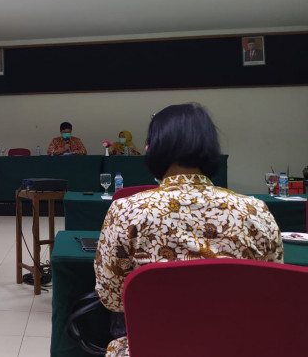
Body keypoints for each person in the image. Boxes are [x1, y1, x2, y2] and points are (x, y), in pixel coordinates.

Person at [94, 103, 282, 357]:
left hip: (153, 346)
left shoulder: (126, 210)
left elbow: (112, 298)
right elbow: (273, 294)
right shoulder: (255, 211)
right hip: (237, 347)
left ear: (154, 148)